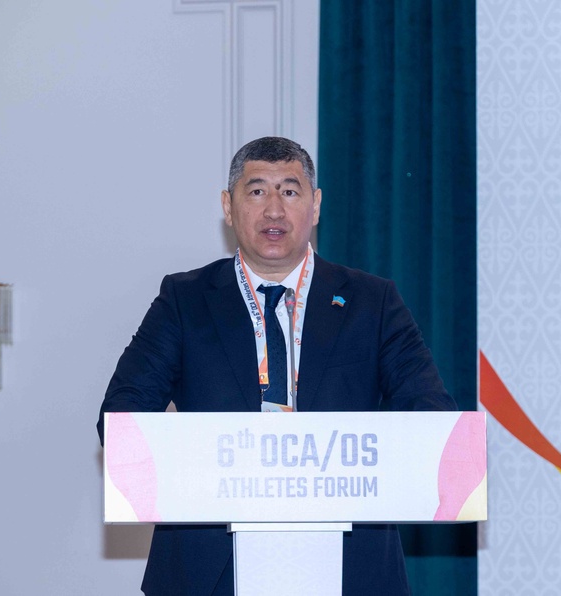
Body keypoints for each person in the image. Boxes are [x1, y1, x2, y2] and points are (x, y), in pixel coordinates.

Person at [98, 136, 456, 595]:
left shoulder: (373, 302)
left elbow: (432, 418)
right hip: (210, 567)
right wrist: (197, 453)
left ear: (315, 205)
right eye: (256, 191)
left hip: (349, 564)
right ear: (228, 207)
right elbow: (121, 418)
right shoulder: (184, 301)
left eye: (289, 191)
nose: (274, 210)